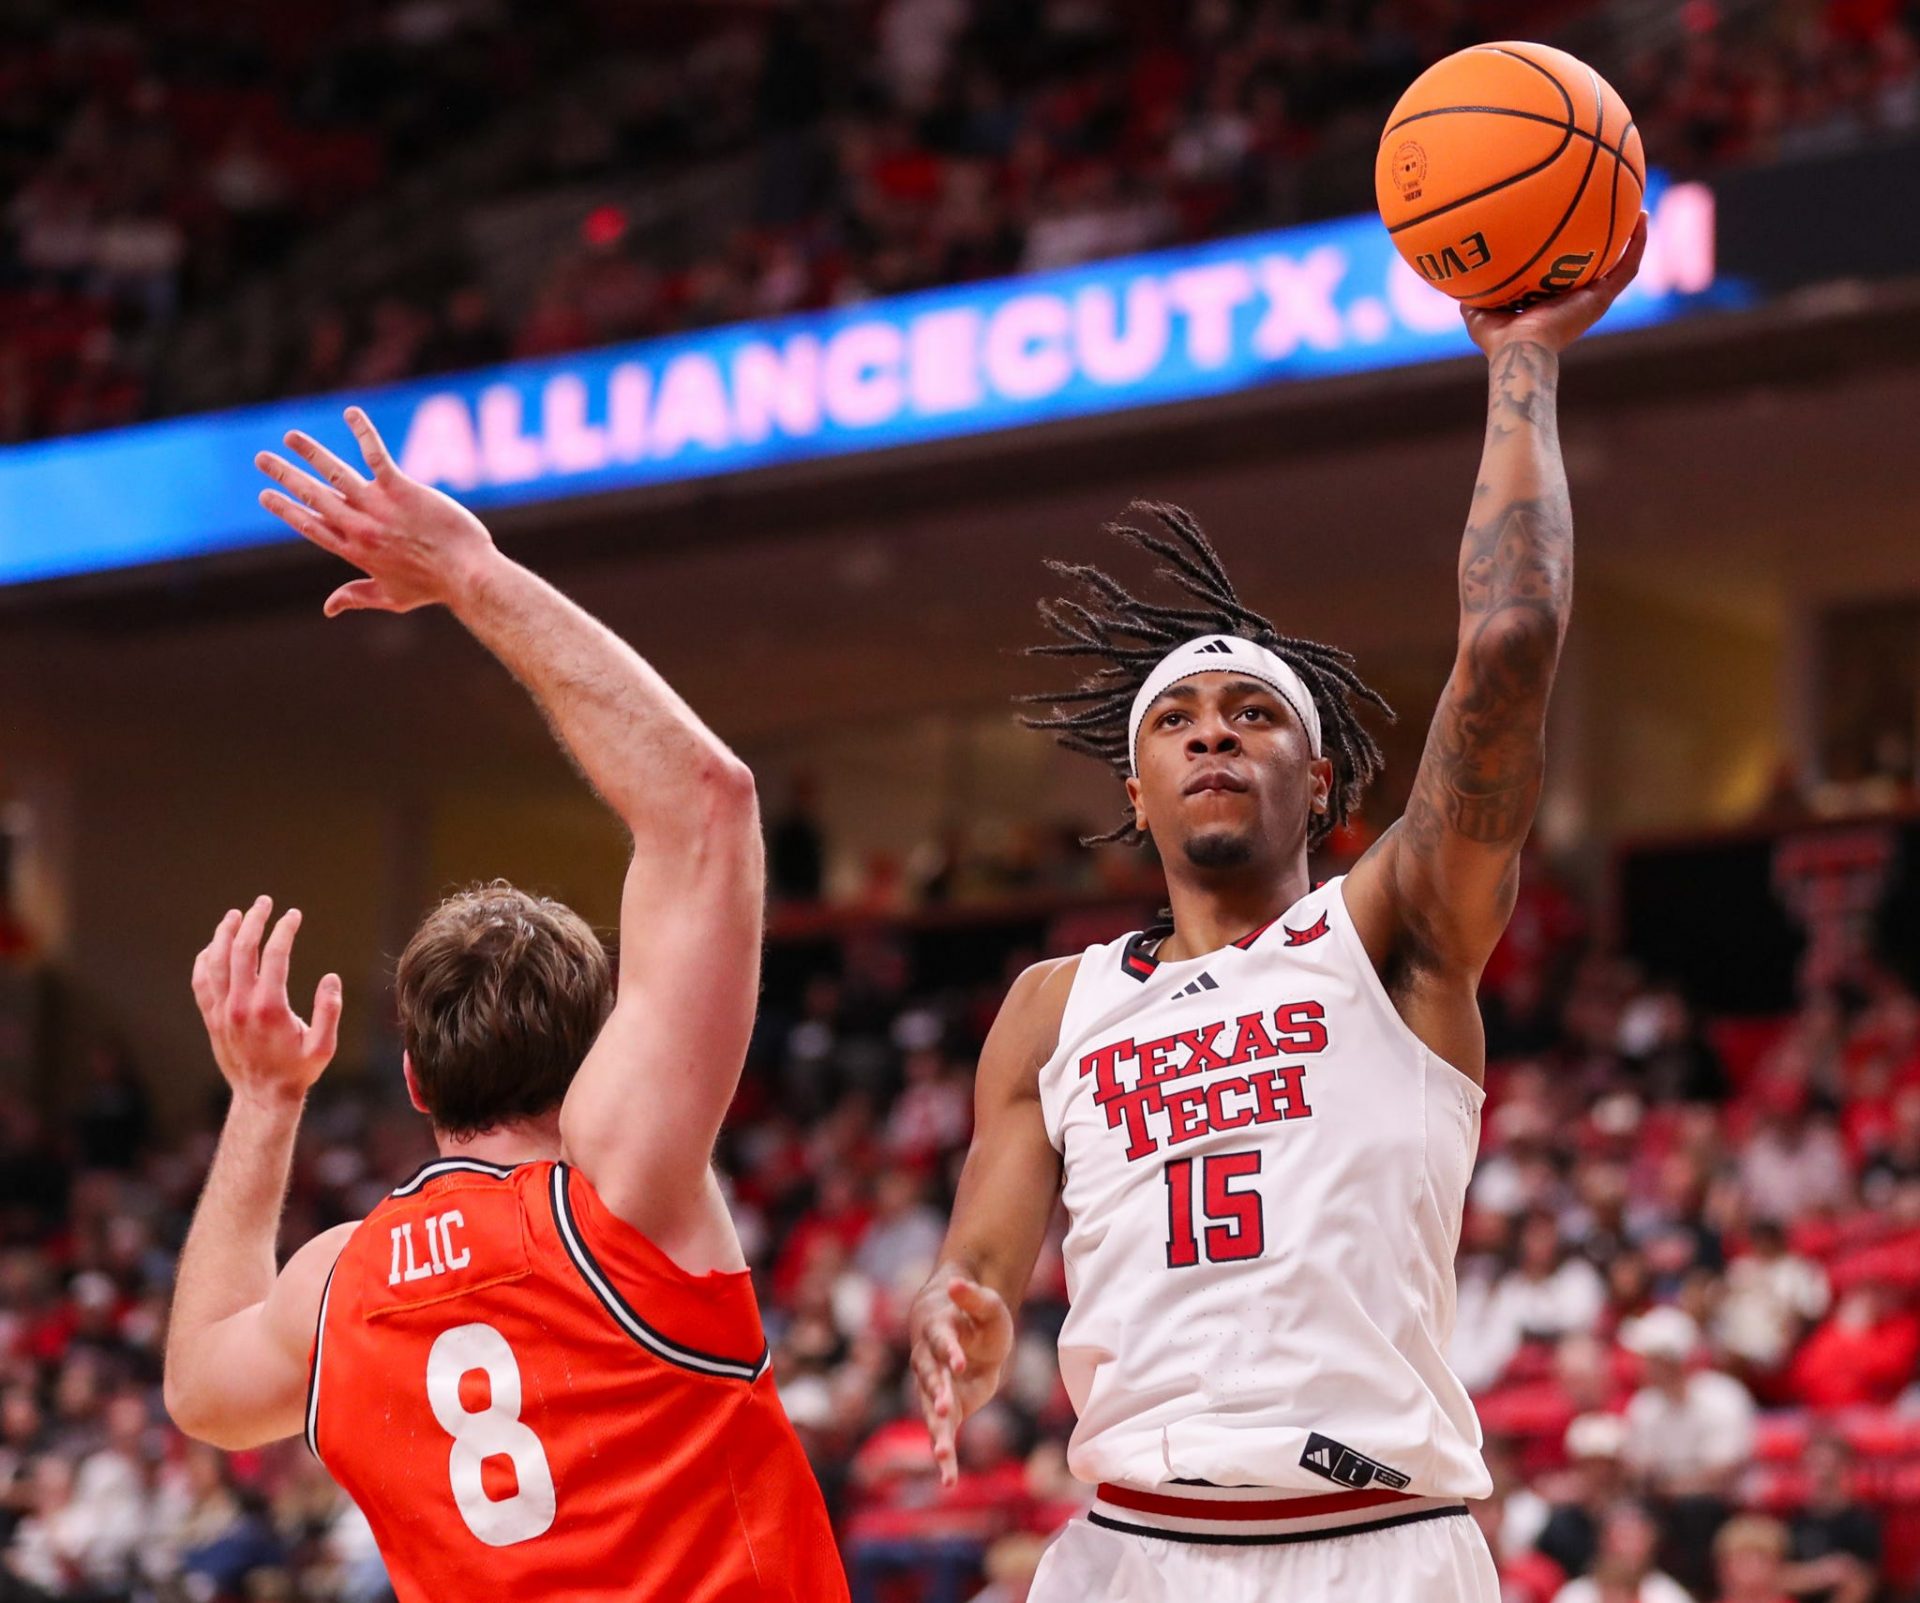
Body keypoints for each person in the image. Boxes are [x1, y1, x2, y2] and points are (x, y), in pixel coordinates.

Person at [907, 219, 1650, 1603]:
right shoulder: (1052, 1004)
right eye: (1177, 719)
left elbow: (1508, 646)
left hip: (1379, 1544)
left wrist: (1523, 365)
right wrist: (961, 1310)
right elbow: (984, 1262)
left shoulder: (1395, 934)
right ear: (1134, 787)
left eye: (1255, 713)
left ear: (1320, 779)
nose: (1212, 735)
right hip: (1125, 1548)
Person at [161, 408, 847, 1603]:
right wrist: (471, 574)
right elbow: (706, 802)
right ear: (596, 1056)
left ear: (416, 1079)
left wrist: (266, 1099)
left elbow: (201, 1397)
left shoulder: (337, 1285)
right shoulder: (624, 1198)